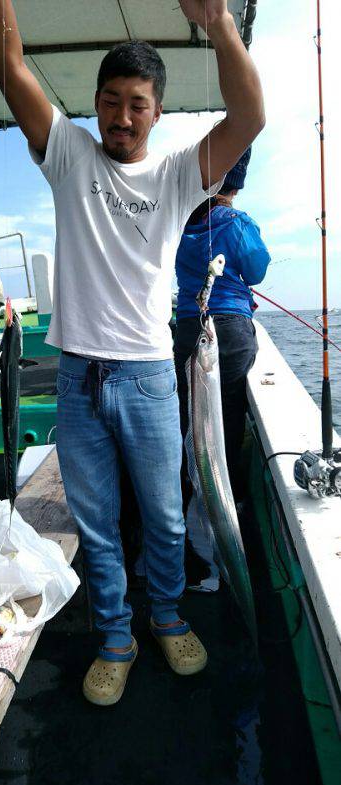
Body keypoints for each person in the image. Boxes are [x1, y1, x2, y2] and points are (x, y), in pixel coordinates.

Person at [0, 0, 265, 705]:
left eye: (137, 104)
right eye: (111, 101)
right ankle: (116, 635)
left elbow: (250, 117)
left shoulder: (177, 177)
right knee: (98, 524)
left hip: (147, 381)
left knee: (166, 516)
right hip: (77, 380)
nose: (122, 116)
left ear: (157, 112)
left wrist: (220, 23)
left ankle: (166, 615)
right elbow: (7, 64)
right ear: (96, 106)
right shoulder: (69, 156)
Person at [174, 148, 270, 586]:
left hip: (189, 329)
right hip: (228, 331)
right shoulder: (237, 224)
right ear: (236, 185)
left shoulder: (183, 226)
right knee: (223, 432)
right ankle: (219, 547)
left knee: (189, 430)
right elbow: (257, 270)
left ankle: (187, 542)